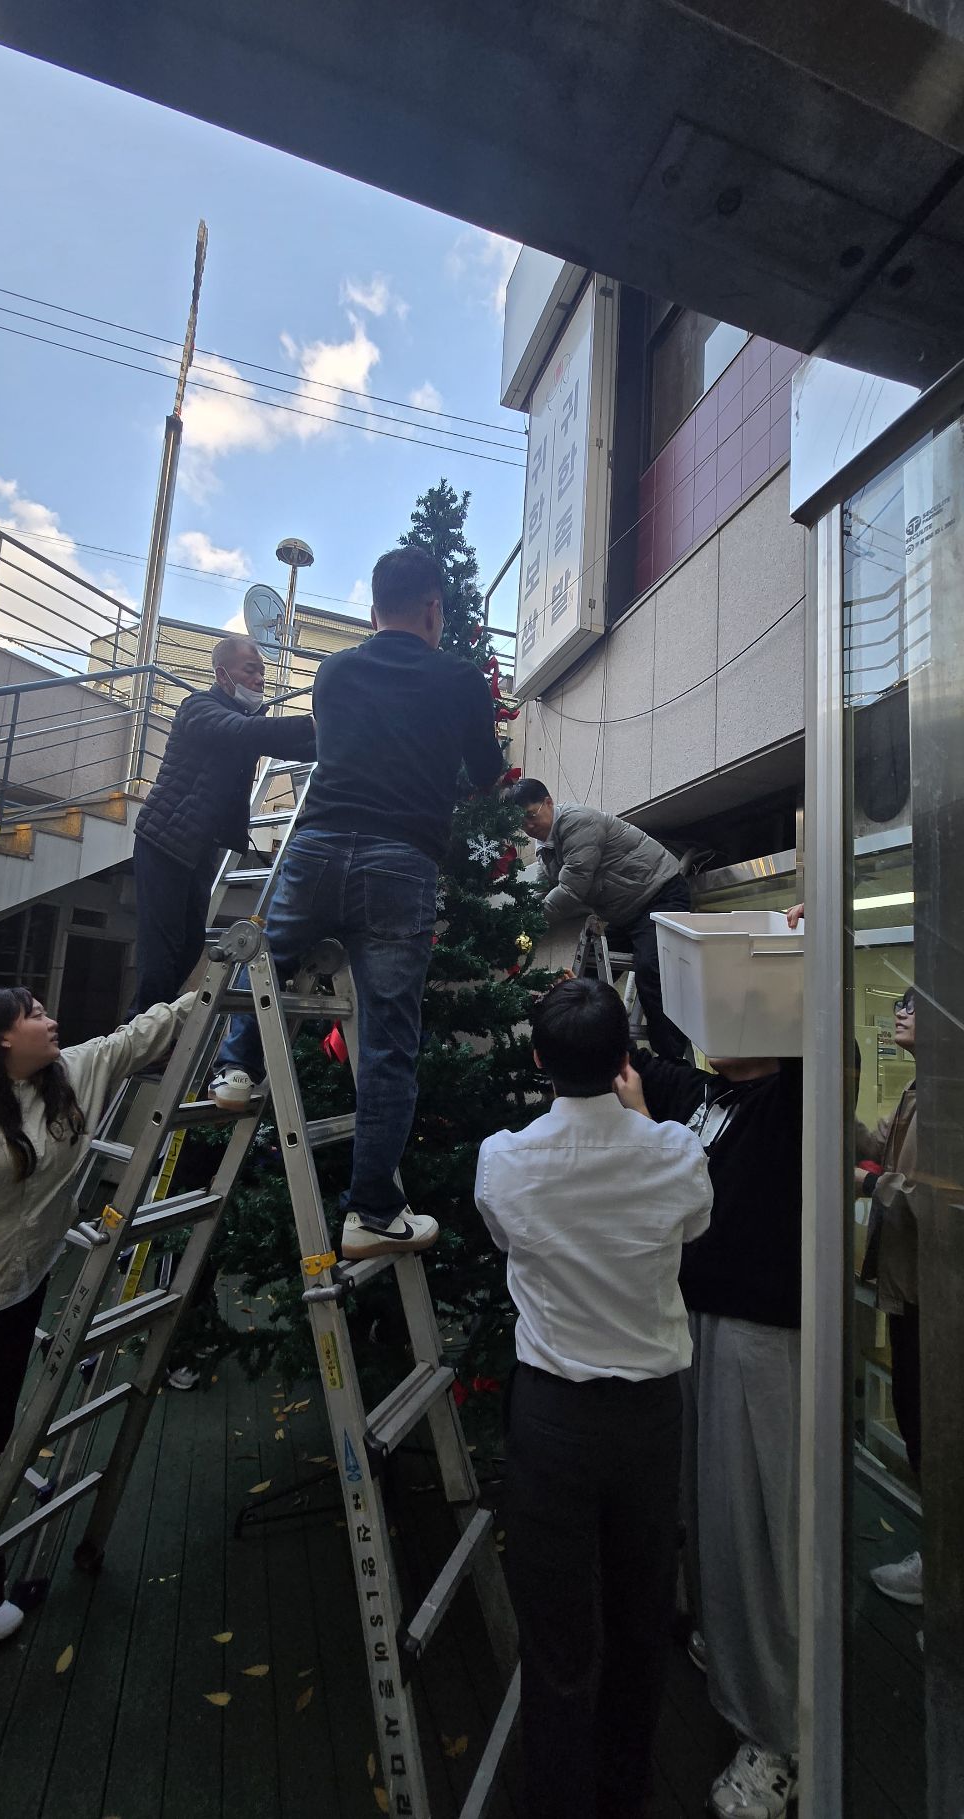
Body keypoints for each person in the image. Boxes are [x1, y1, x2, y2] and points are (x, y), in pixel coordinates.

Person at [212, 546, 505, 1261]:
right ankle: (371, 1210)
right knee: (388, 1041)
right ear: (434, 609)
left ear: (373, 612)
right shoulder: (460, 679)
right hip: (400, 863)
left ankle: (235, 1068)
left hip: (316, 848)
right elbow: (487, 772)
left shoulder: (335, 671)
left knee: (270, 955)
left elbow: (343, 743)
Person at [475, 977, 713, 1819]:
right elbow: (693, 1224)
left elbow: (505, 1235)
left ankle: (558, 1797)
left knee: (556, 1625)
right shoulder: (677, 1153)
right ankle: (625, 1792)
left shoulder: (503, 1159)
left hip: (552, 1416)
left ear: (540, 1059)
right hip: (650, 1417)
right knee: (641, 1611)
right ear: (623, 1059)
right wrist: (643, 1117)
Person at [0, 985, 193, 1645]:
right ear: (0, 1036)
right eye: (34, 1014)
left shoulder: (70, 1076)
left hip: (15, 1296)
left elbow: (137, 1036)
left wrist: (217, 981)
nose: (51, 1020)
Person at [624, 1025, 803, 1819]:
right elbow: (641, 1057)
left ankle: (779, 1736)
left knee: (758, 1532)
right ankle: (731, 1651)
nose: (712, 1026)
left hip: (760, 1339)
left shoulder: (790, 1105)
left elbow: (826, 1050)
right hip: (698, 1326)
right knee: (711, 1516)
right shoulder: (710, 1094)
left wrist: (793, 970)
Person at [129, 635, 316, 1014]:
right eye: (251, 670)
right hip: (164, 842)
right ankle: (141, 1029)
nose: (260, 679)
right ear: (222, 675)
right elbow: (246, 732)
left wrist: (345, 736)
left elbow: (287, 744)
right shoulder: (199, 709)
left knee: (188, 946)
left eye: (263, 672)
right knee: (161, 951)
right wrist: (316, 723)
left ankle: (153, 1027)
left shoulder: (242, 721)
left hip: (198, 848)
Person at [510, 778, 690, 1060]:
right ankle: (599, 1054)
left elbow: (572, 888)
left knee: (653, 972)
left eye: (531, 815)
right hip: (626, 913)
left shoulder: (577, 822)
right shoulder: (545, 846)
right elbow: (542, 889)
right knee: (586, 984)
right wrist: (519, 921)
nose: (528, 826)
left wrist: (529, 922)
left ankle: (673, 1060)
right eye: (521, 822)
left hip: (659, 894)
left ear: (548, 802)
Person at [857, 986, 922, 1605]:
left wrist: (867, 1183)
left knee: (931, 1424)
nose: (901, 1012)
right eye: (900, 1003)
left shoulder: (949, 1098)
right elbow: (879, 1144)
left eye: (915, 1004)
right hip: (910, 1287)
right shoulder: (916, 1090)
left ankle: (942, 1568)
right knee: (913, 1409)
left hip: (935, 1294)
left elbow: (934, 1197)